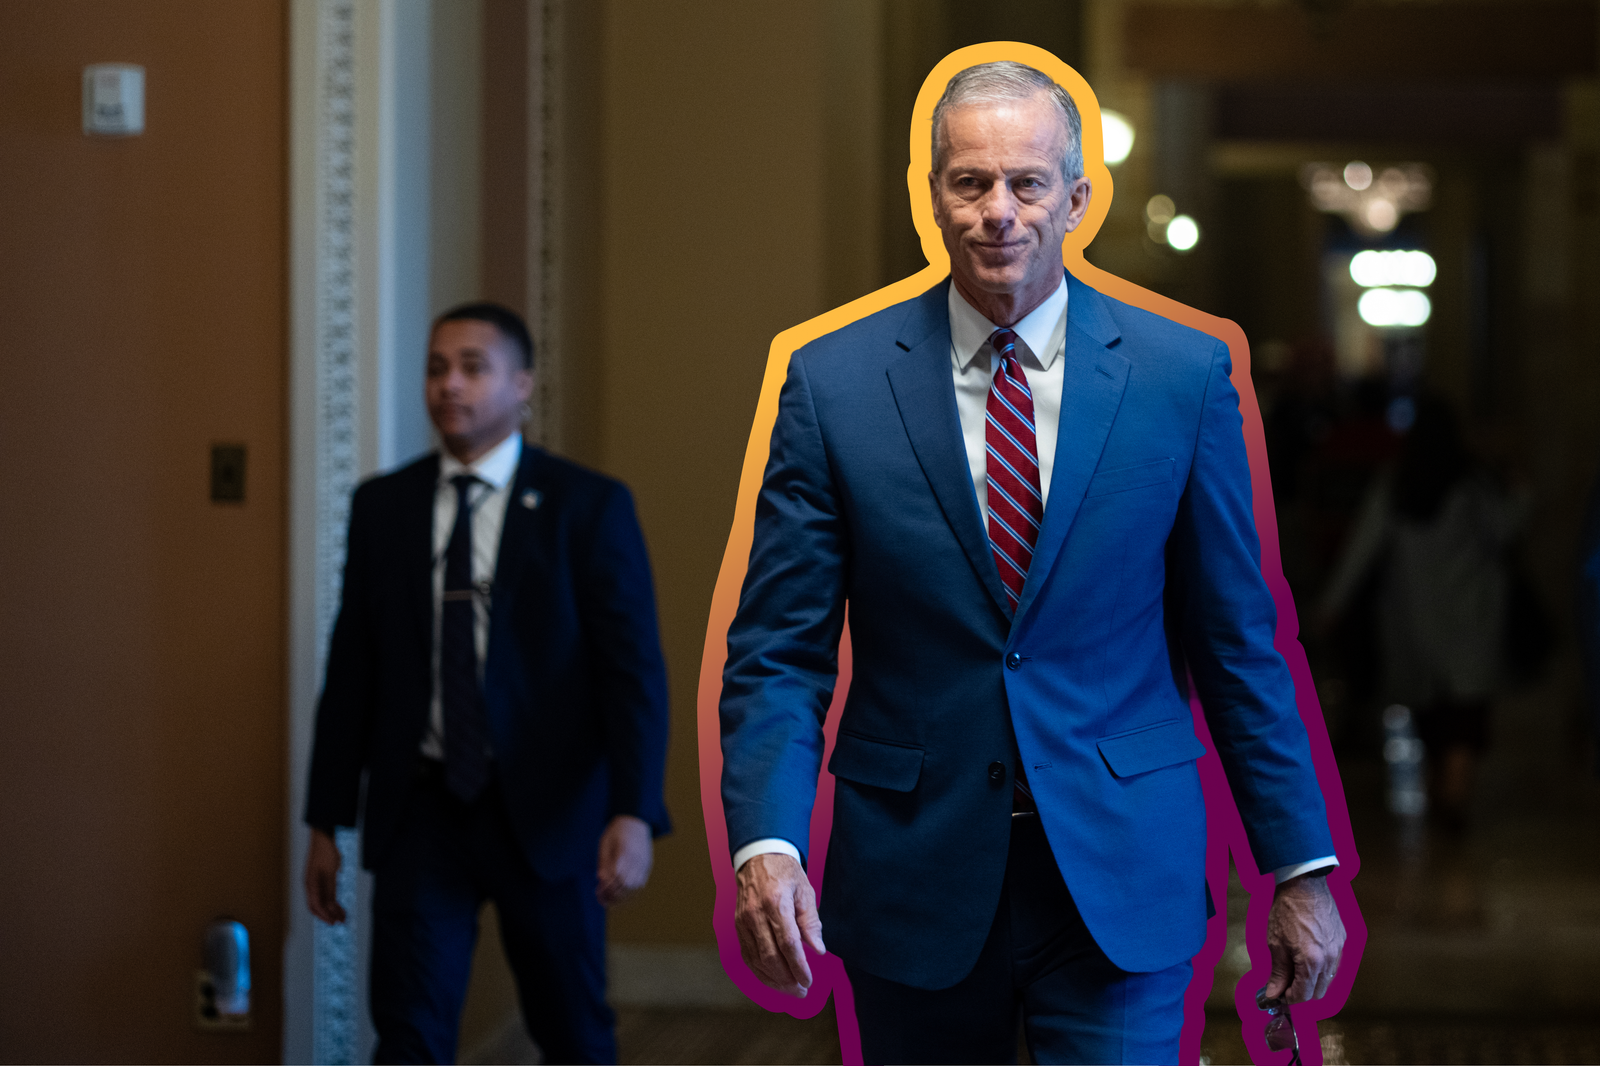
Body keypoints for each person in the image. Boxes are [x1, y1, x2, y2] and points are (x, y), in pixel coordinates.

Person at [719, 62, 1345, 1064]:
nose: (997, 212)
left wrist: (1300, 866)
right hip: (911, 872)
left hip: (1117, 871)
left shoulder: (1180, 377)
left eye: (1027, 182)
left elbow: (1235, 643)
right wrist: (768, 843)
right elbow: (778, 655)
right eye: (969, 182)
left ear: (1077, 198)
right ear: (933, 197)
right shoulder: (831, 384)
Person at [303, 302, 670, 1064]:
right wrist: (325, 821)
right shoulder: (384, 507)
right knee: (409, 1031)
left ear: (522, 384)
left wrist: (633, 812)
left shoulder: (586, 507)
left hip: (550, 810)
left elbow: (631, 672)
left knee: (571, 1029)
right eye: (437, 368)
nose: (449, 386)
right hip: (422, 808)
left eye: (473, 367)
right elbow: (353, 671)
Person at [1319, 394, 1530, 828]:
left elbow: (1363, 549)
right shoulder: (1471, 485)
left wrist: (1331, 605)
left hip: (1413, 627)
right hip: (1470, 623)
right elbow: (1504, 529)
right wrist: (1522, 490)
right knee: (1464, 721)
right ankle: (1454, 794)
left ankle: (1444, 792)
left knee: (1432, 717)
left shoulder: (1397, 484)